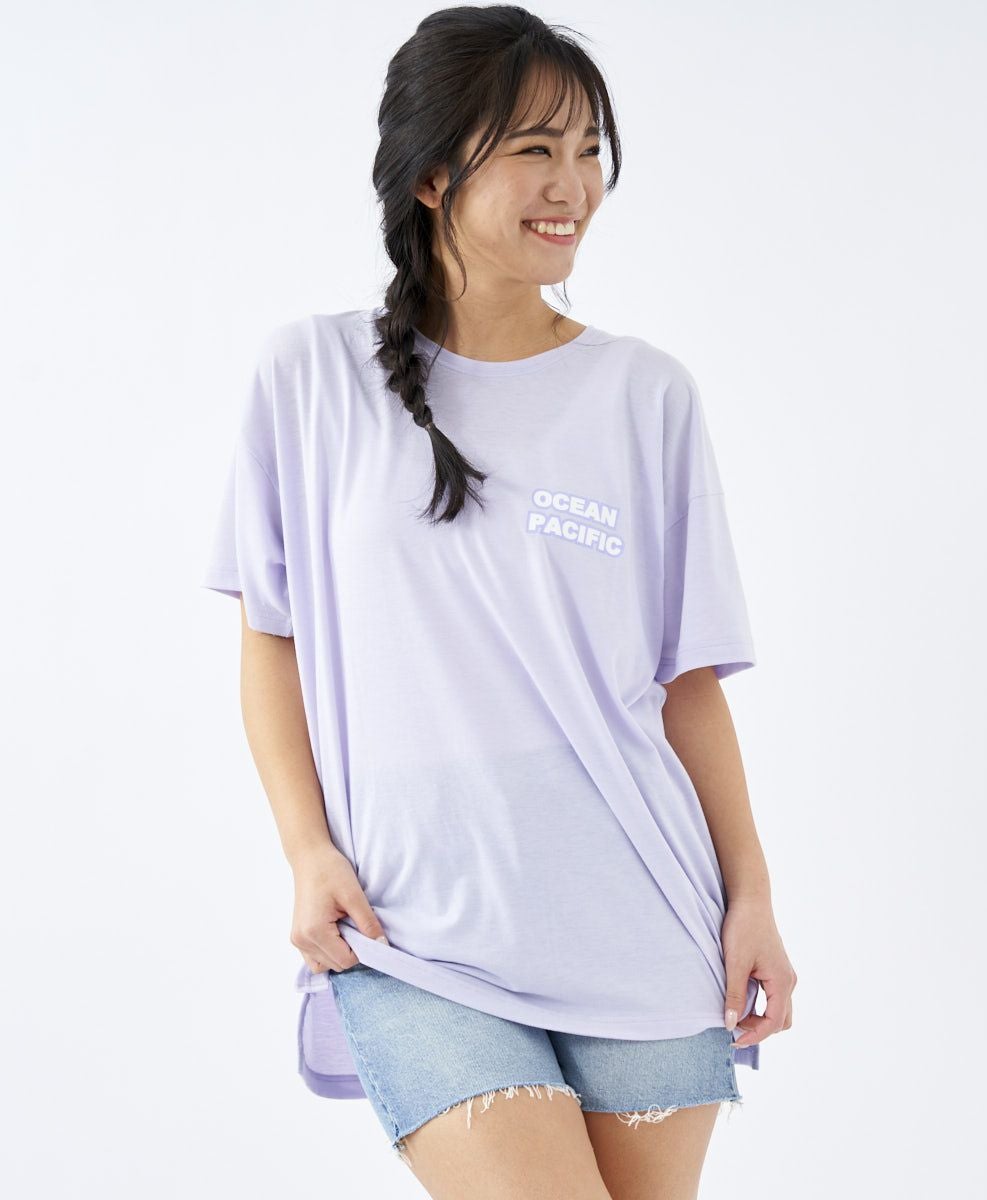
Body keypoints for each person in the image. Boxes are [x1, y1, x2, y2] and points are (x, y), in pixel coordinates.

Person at [201, 6, 796, 1197]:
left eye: (588, 150)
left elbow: (683, 685)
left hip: (641, 924)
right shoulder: (310, 377)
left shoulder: (645, 395)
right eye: (534, 149)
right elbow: (272, 639)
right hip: (414, 930)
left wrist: (753, 900)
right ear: (432, 174)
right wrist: (305, 849)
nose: (570, 185)